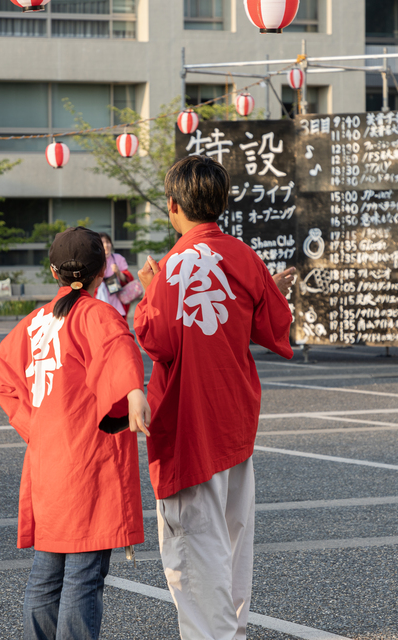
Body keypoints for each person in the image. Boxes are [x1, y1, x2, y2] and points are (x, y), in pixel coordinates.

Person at [133, 156, 293, 640]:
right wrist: (271, 290)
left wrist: (148, 293)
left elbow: (157, 340)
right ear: (221, 204)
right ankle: (233, 631)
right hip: (235, 419)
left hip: (189, 424)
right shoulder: (244, 255)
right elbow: (274, 325)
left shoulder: (174, 266)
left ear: (173, 205)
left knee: (195, 551)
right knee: (231, 542)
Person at [0, 226, 152, 640]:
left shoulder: (36, 321)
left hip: (47, 461)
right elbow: (118, 349)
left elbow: (0, 378)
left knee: (46, 575)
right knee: (82, 576)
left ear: (52, 271)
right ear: (102, 272)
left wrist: (33, 426)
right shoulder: (97, 314)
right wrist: (133, 392)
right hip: (87, 460)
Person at [94, 232, 132, 319]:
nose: (106, 245)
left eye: (107, 242)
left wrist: (118, 272)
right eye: (102, 243)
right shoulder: (95, 260)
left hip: (117, 299)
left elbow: (127, 279)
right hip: (99, 297)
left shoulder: (118, 258)